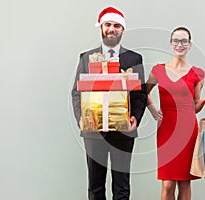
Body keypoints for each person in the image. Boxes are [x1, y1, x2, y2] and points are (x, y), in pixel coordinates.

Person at [71, 6, 147, 200]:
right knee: (95, 186)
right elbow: (76, 92)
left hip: (123, 131)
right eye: (108, 25)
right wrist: (81, 119)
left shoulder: (134, 58)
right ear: (101, 27)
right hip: (93, 130)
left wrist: (135, 118)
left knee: (121, 187)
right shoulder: (86, 57)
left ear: (122, 30)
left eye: (116, 25)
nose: (112, 29)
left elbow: (139, 95)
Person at [146, 27, 205, 200]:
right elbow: (144, 92)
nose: (179, 45)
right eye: (176, 41)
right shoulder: (158, 70)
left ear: (190, 45)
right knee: (167, 184)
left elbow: (194, 106)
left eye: (184, 41)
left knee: (185, 182)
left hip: (188, 130)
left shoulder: (198, 73)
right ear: (170, 44)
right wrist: (152, 110)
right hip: (167, 129)